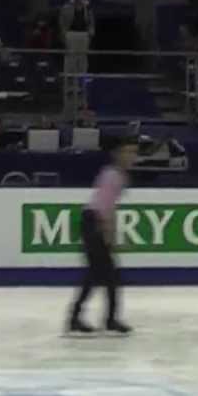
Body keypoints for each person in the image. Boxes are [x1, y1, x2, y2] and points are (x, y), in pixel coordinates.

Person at [68, 139, 137, 335]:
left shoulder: (117, 175)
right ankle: (108, 319)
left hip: (93, 222)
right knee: (108, 274)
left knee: (97, 274)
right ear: (118, 154)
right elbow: (104, 208)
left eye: (134, 153)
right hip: (93, 223)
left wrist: (111, 235)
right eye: (128, 152)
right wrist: (108, 236)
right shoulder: (113, 176)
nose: (132, 157)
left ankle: (78, 317)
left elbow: (110, 208)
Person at [60, 0, 96, 74]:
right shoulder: (67, 7)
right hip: (71, 34)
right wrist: (64, 33)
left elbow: (91, 21)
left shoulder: (87, 7)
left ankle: (82, 77)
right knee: (71, 57)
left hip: (83, 35)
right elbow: (62, 21)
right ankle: (70, 79)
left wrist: (91, 33)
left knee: (82, 57)